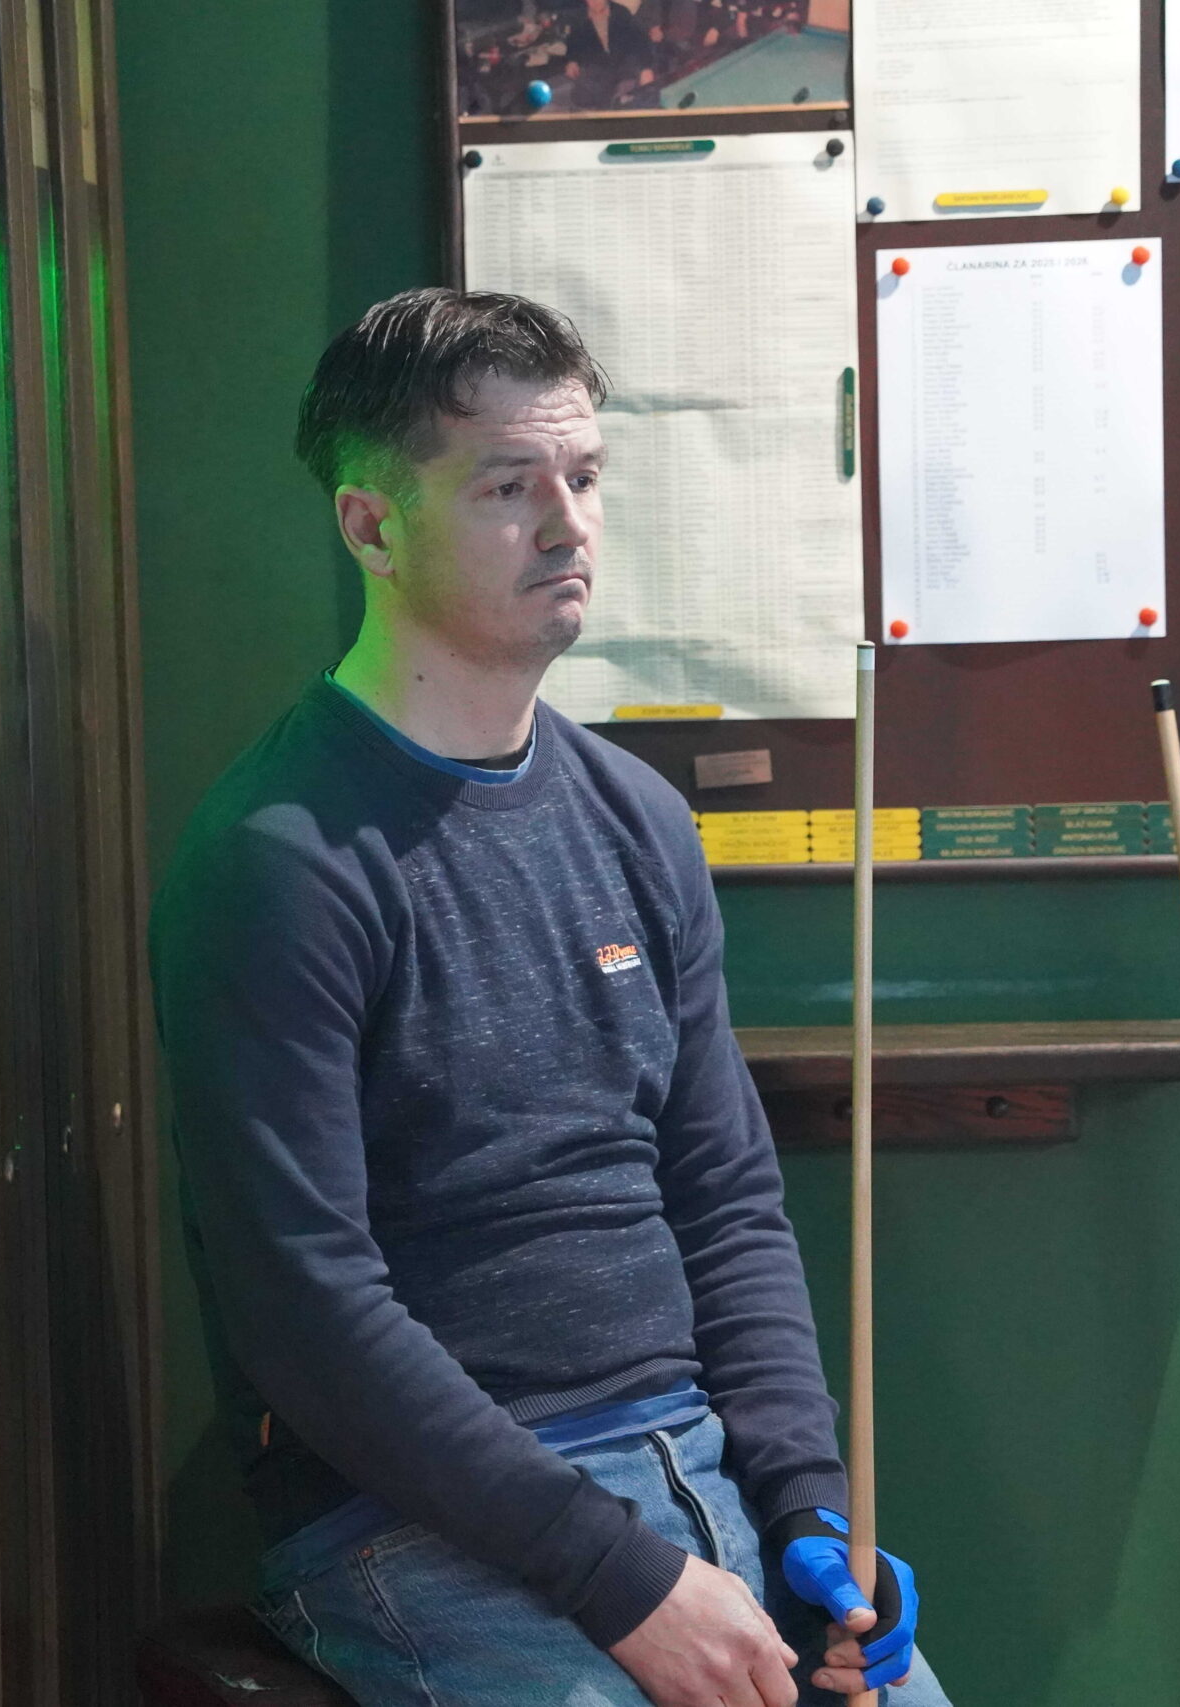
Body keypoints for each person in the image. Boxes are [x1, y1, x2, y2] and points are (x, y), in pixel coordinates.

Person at [150, 288, 950, 1707]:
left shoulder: (636, 817)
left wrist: (809, 1510)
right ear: (371, 527)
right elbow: (309, 1313)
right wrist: (623, 1579)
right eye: (509, 487)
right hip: (417, 1525)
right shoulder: (280, 859)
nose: (569, 525)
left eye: (584, 477)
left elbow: (725, 1202)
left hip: (694, 1465)